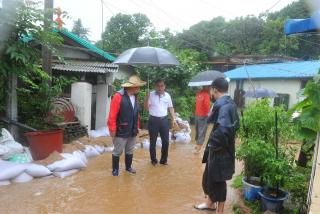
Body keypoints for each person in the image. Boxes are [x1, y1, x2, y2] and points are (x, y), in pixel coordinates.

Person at [194, 77, 239, 214]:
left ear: (214, 89)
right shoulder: (228, 103)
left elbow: (223, 130)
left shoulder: (224, 106)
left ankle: (220, 210)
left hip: (220, 151)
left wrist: (212, 145)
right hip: (221, 149)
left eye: (211, 91)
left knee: (218, 180)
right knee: (210, 177)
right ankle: (210, 203)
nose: (210, 94)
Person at [107, 75, 146, 176]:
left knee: (130, 149)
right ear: (132, 87)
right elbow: (112, 115)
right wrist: (112, 129)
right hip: (121, 129)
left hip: (132, 129)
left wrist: (137, 127)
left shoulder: (135, 97)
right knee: (117, 151)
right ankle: (115, 170)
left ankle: (128, 167)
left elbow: (136, 114)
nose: (139, 88)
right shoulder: (118, 96)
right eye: (138, 86)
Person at [144, 79, 178, 166]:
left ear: (164, 86)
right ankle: (153, 160)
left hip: (164, 120)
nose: (160, 88)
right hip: (153, 120)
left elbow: (170, 107)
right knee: (152, 142)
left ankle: (163, 160)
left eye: (162, 86)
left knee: (166, 141)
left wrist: (174, 118)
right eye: (158, 86)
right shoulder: (150, 95)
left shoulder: (167, 96)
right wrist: (146, 98)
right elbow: (146, 109)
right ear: (155, 86)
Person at [194, 86, 211, 154]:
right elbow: (207, 106)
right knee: (202, 131)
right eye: (210, 87)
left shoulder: (198, 94)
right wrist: (210, 114)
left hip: (197, 115)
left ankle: (197, 145)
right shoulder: (206, 95)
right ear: (207, 87)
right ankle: (198, 149)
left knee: (197, 130)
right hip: (203, 115)